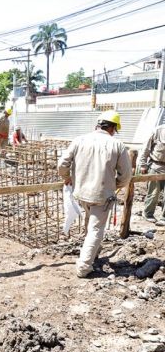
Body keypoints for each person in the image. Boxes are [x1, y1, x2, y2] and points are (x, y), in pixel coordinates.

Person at [58, 110, 132, 278]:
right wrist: (115, 185)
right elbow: (126, 175)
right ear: (113, 128)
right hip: (102, 195)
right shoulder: (117, 145)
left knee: (89, 221)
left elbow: (62, 164)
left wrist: (67, 177)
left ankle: (94, 251)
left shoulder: (80, 140)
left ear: (97, 125)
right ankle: (84, 267)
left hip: (81, 192)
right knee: (96, 229)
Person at [138, 124, 165, 225]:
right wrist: (143, 165)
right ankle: (148, 213)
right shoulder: (158, 131)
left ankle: (164, 217)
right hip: (156, 166)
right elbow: (146, 149)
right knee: (153, 193)